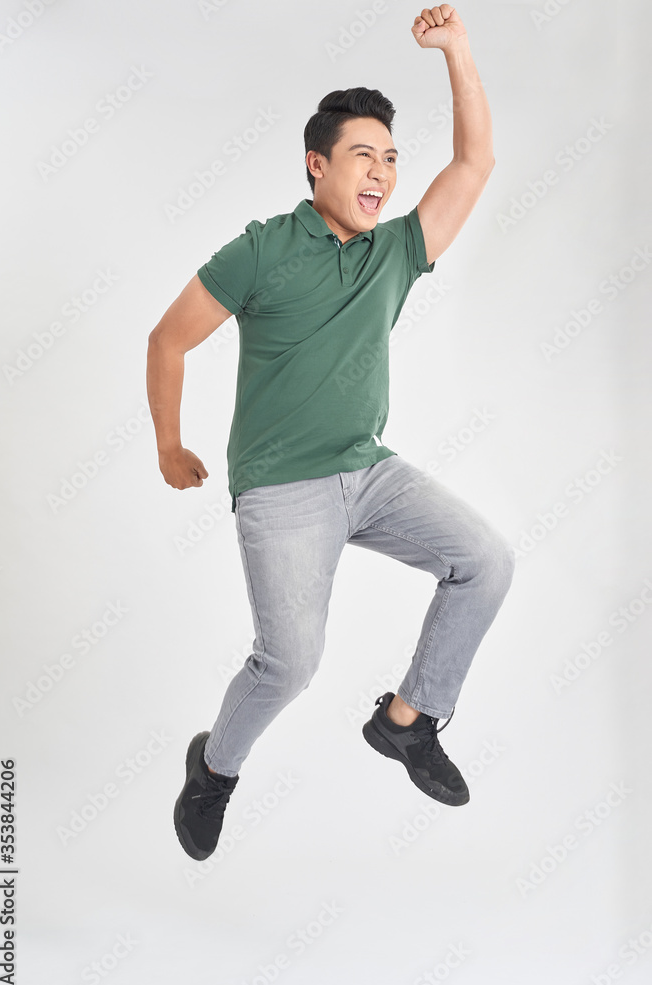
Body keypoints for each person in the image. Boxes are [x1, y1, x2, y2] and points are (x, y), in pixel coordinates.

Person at [146, 6, 515, 862]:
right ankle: (214, 770)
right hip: (280, 487)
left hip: (368, 472)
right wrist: (168, 444)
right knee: (289, 664)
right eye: (363, 155)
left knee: (486, 561)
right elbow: (168, 339)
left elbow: (474, 161)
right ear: (317, 165)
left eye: (390, 158)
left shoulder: (394, 253)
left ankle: (406, 721)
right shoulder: (262, 250)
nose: (382, 172)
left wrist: (456, 49)